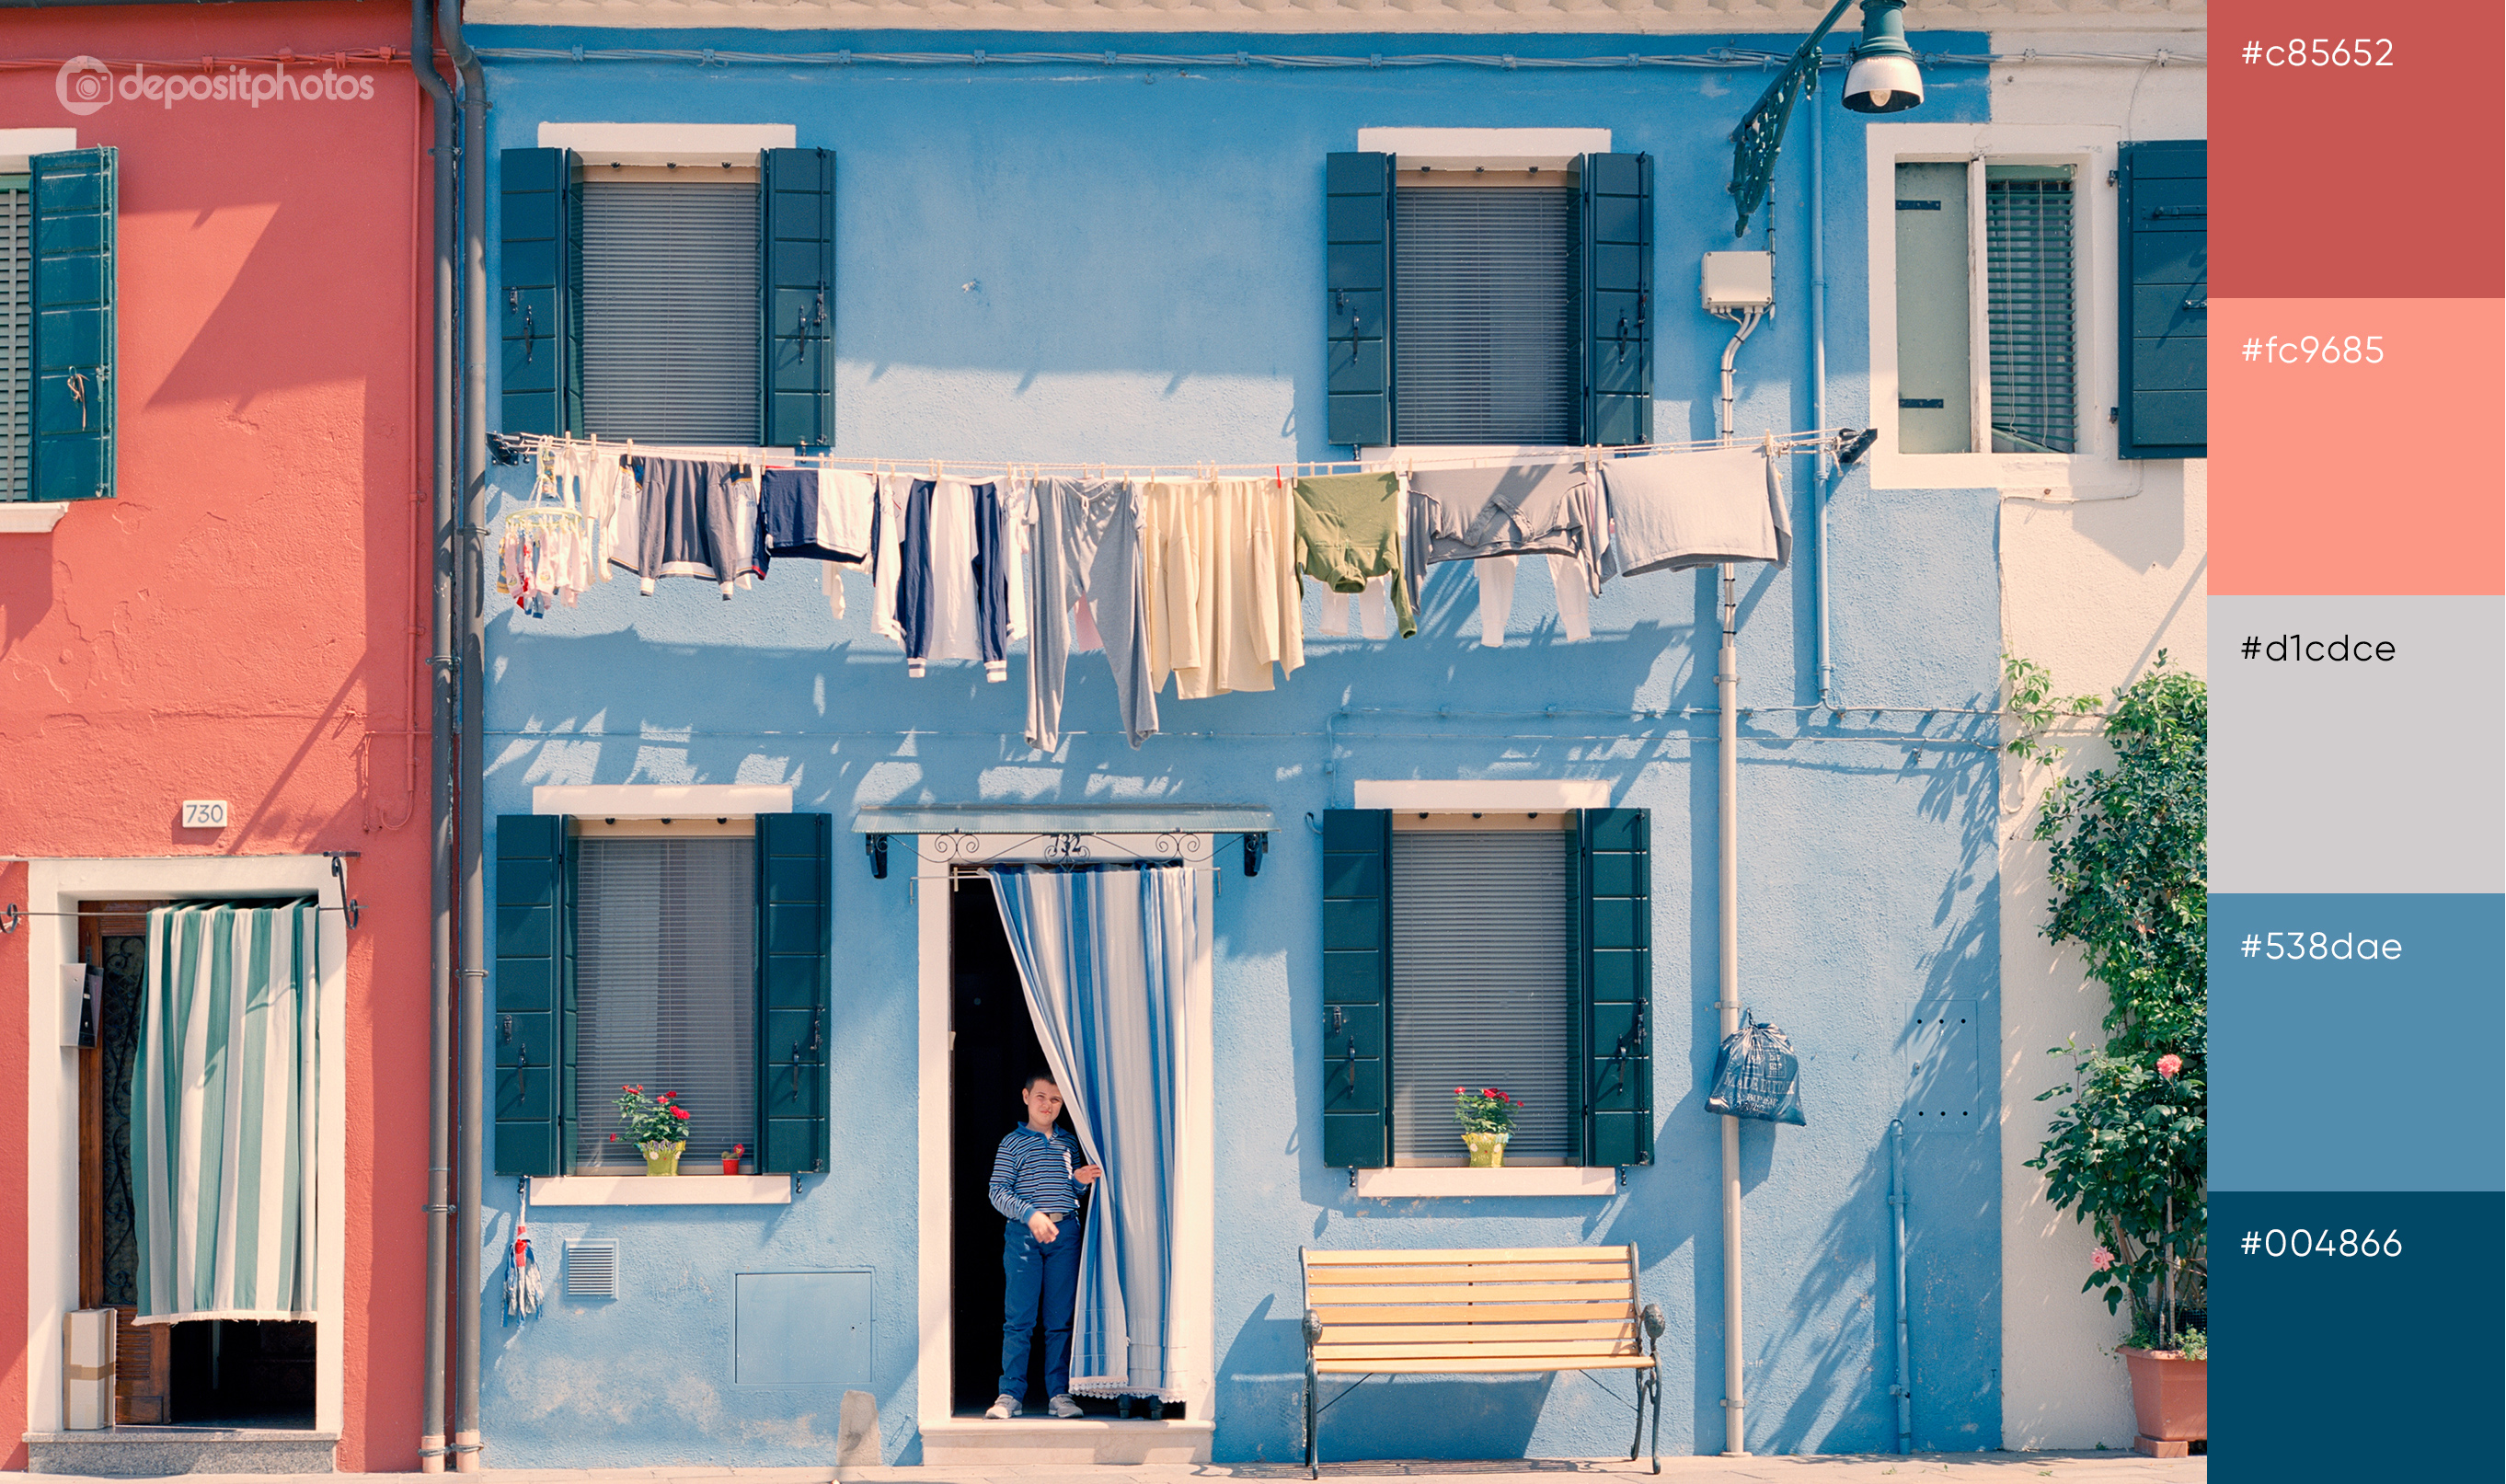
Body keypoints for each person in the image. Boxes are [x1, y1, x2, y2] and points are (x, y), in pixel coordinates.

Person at [984, 1071, 1101, 1420]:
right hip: (1024, 1236)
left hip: (1065, 1233)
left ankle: (1060, 1395)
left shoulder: (1068, 1143)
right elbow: (997, 1191)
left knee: (1060, 1320)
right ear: (1026, 1097)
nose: (1048, 1104)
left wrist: (1078, 1182)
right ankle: (1009, 1395)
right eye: (1041, 1097)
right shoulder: (1012, 1142)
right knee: (1019, 1319)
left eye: (1056, 1099)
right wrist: (1031, 1215)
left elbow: (1070, 1191)